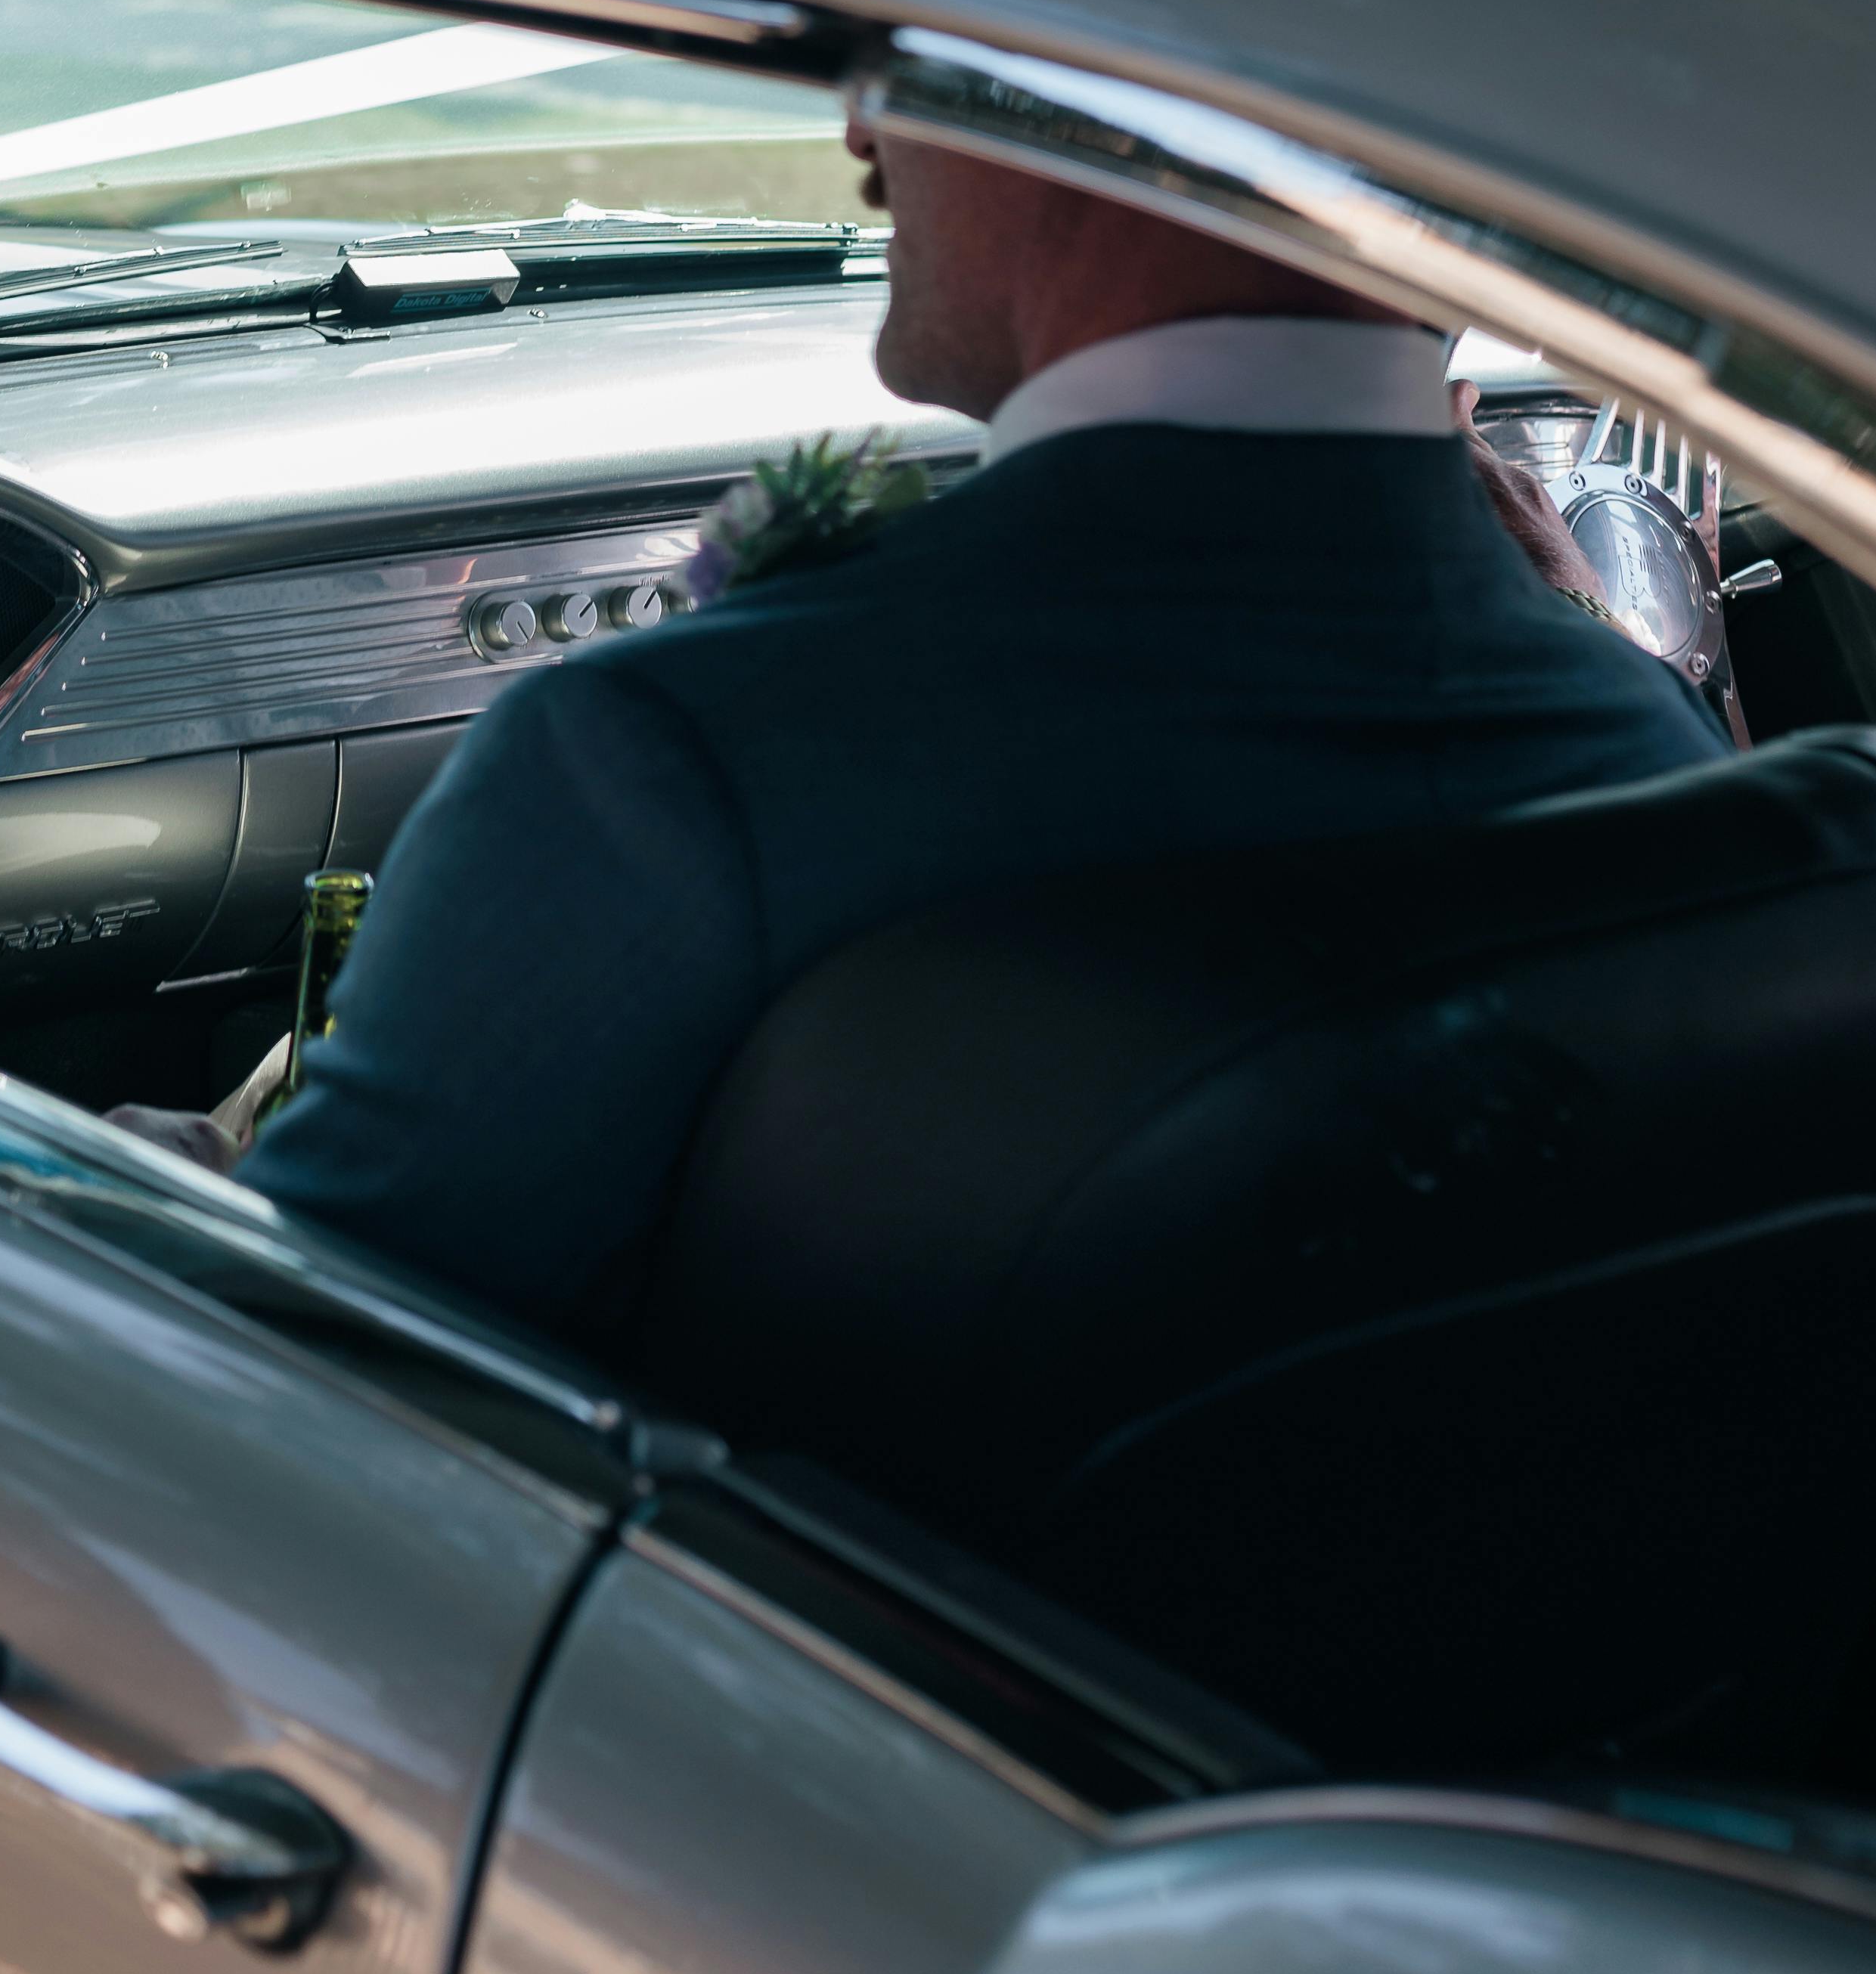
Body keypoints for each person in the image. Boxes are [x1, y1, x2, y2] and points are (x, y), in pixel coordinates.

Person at [241, 119, 1722, 1343]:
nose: (861, 139)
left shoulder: (665, 772)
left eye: (905, 65)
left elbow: (273, 1394)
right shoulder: (1656, 764)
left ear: (1089, 113)